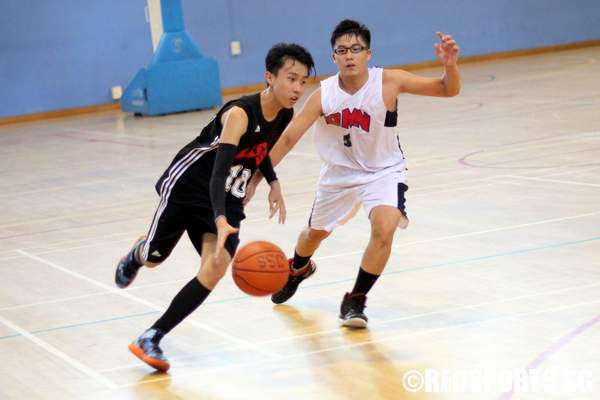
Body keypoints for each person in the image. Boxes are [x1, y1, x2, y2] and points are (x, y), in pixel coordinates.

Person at [246, 19, 460, 328]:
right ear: (333, 57)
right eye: (341, 50)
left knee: (384, 229)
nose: (349, 55)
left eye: (356, 49)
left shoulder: (389, 81)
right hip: (339, 175)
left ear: (368, 54)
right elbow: (289, 138)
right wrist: (258, 178)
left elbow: (446, 90)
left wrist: (450, 67)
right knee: (313, 235)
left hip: (384, 171)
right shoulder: (323, 95)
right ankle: (299, 268)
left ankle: (356, 298)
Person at [114, 43, 314, 372]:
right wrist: (220, 219)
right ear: (269, 77)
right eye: (291, 79)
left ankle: (152, 336)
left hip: (228, 197)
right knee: (153, 259)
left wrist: (272, 181)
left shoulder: (285, 113)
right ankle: (138, 252)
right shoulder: (239, 114)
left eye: (303, 81)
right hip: (189, 187)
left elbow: (259, 150)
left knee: (217, 265)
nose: (297, 88)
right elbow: (218, 171)